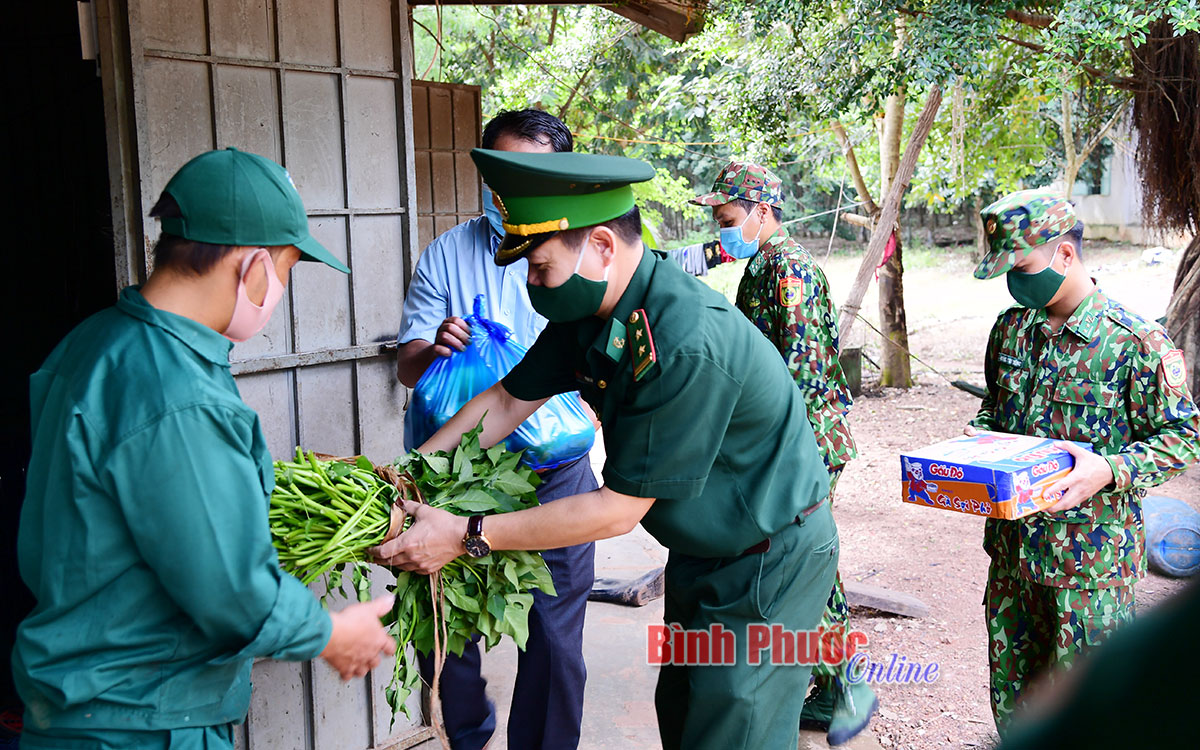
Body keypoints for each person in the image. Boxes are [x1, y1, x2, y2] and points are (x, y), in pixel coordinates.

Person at [374, 148, 840, 750]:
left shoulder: (680, 340)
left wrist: (466, 534)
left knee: (734, 729)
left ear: (600, 245)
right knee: (685, 713)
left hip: (768, 560)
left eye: (539, 267)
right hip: (703, 553)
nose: (531, 283)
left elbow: (618, 510)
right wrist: (410, 475)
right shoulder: (590, 312)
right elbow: (508, 401)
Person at [12, 148, 397, 750]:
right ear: (253, 268)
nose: (281, 292)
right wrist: (329, 632)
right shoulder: (179, 393)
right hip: (138, 720)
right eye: (288, 270)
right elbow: (230, 591)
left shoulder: (96, 343)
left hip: (84, 707)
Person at [394, 109, 597, 750]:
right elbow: (407, 366)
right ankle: (467, 737)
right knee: (445, 625)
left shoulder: (586, 255)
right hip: (460, 472)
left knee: (556, 632)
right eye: (500, 172)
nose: (510, 190)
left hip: (554, 470)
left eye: (530, 174)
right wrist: (436, 349)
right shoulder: (446, 254)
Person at [965, 188, 1200, 736]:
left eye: (1020, 265)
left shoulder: (1134, 342)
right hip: (1012, 556)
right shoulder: (1011, 330)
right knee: (1016, 703)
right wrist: (973, 446)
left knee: (1092, 721)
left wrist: (1110, 469)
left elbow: (1183, 436)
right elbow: (994, 411)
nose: (1014, 281)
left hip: (1088, 569)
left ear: (1064, 255)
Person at [690, 161, 875, 745]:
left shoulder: (788, 269)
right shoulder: (763, 264)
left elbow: (797, 365)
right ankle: (835, 682)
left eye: (727, 218)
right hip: (790, 435)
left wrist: (762, 441)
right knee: (812, 558)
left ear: (762, 212)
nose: (723, 230)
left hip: (804, 437)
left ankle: (847, 686)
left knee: (808, 560)